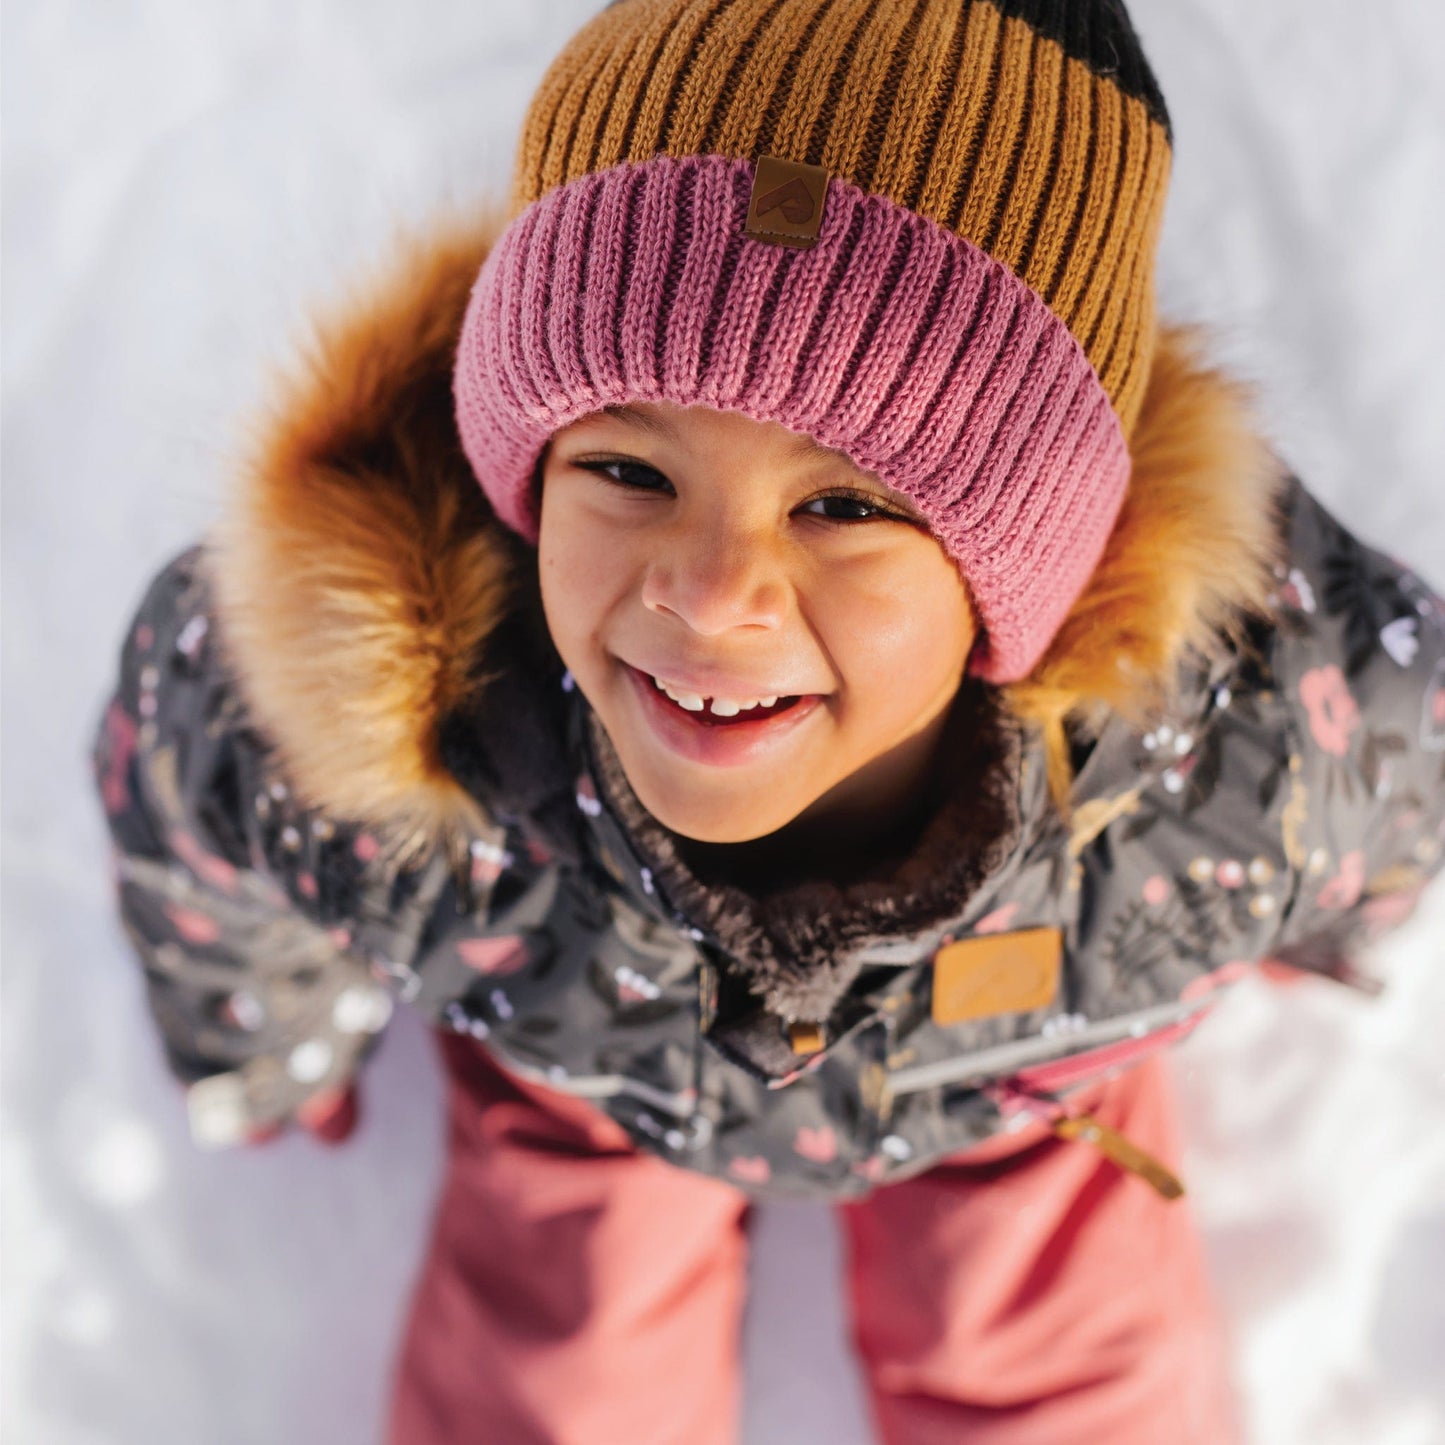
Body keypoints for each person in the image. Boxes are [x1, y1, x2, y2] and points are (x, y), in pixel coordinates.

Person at [89, 0, 1445, 1441]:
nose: (712, 591)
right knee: (560, 1339)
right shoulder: (383, 750)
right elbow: (189, 806)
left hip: (1015, 1051)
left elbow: (1393, 760)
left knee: (1050, 1326)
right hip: (585, 1043)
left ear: (1024, 562)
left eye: (845, 504)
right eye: (626, 469)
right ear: (524, 472)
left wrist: (1324, 915)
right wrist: (257, 1028)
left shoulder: (1220, 755)